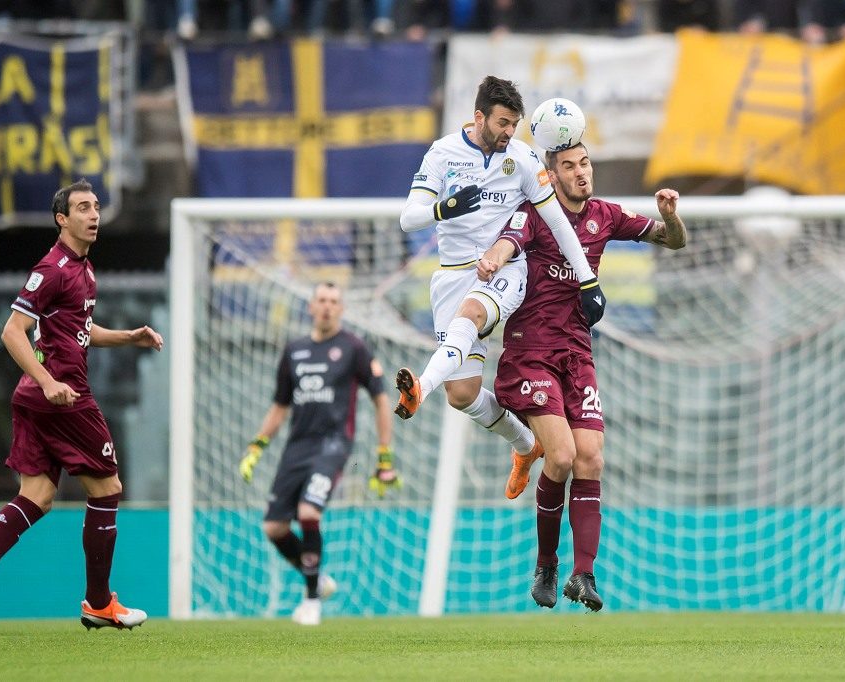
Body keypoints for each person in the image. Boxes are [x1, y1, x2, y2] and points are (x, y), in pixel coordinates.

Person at [0, 179, 164, 633]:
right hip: (62, 396)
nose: (94, 214)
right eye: (83, 207)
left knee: (37, 496)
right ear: (62, 219)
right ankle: (99, 603)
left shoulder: (84, 268)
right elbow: (12, 331)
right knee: (106, 490)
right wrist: (48, 382)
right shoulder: (54, 268)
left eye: (97, 206)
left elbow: (79, 329)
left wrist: (129, 336)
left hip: (38, 397)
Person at [477, 143, 686, 611]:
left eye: (585, 163)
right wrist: (492, 257)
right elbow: (508, 240)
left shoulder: (605, 216)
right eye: (569, 166)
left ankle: (583, 575)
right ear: (552, 174)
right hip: (530, 352)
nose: (581, 172)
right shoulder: (534, 214)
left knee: (591, 458)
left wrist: (670, 216)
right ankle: (547, 563)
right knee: (564, 454)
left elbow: (674, 241)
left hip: (576, 355)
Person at [395, 77, 605, 491]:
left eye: (516, 124)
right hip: (453, 274)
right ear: (479, 117)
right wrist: (443, 207)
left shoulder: (524, 159)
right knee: (463, 394)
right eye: (504, 123)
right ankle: (526, 445)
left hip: (505, 269)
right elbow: (409, 217)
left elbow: (558, 222)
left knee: (472, 314)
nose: (511, 132)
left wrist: (587, 280)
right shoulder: (443, 153)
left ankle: (420, 386)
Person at [237, 282, 398, 626]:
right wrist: (257, 446)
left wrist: (384, 456)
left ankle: (311, 601)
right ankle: (318, 580)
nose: (327, 307)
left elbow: (381, 399)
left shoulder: (354, 348)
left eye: (334, 301)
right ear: (310, 307)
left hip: (334, 444)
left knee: (309, 511)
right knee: (274, 527)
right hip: (298, 445)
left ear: (341, 309)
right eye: (321, 301)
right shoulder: (294, 350)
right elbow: (279, 406)